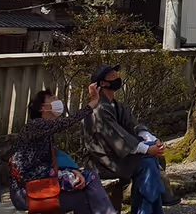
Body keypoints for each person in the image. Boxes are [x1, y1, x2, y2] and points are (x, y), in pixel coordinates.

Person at [82, 65, 179, 214]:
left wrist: (152, 140)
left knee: (153, 159)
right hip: (102, 161)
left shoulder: (116, 105)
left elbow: (133, 126)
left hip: (117, 156)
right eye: (112, 77)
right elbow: (117, 136)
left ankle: (149, 207)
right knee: (147, 162)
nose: (117, 78)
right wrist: (147, 149)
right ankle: (152, 205)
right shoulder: (99, 108)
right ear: (102, 84)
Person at [10, 85, 117, 214]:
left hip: (43, 183)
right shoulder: (34, 126)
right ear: (42, 107)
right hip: (27, 191)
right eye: (52, 98)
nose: (57, 101)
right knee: (89, 180)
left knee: (83, 191)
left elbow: (57, 159)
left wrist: (74, 171)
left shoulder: (46, 133)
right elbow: (65, 123)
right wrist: (92, 102)